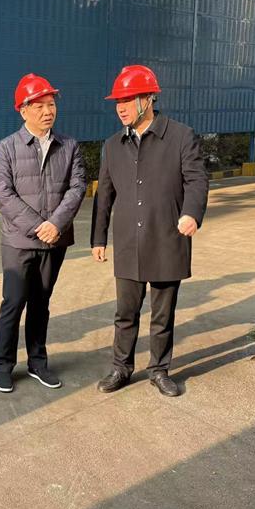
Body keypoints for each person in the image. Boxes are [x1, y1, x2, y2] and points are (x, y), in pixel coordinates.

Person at [91, 65, 209, 397]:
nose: (121, 108)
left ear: (149, 99)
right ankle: (121, 367)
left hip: (167, 237)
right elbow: (104, 195)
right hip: (129, 241)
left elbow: (197, 180)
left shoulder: (181, 136)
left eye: (127, 100)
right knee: (125, 313)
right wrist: (98, 238)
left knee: (162, 314)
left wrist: (191, 213)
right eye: (118, 101)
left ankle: (159, 370)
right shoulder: (113, 145)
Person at [0, 73, 86, 393]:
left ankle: (37, 362)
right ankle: (2, 365)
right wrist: (38, 227)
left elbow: (77, 188)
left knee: (41, 301)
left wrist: (55, 224)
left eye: (51, 104)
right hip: (18, 241)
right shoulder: (5, 149)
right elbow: (4, 195)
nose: (48, 111)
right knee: (14, 301)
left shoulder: (69, 146)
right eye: (40, 105)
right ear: (23, 110)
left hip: (55, 240)